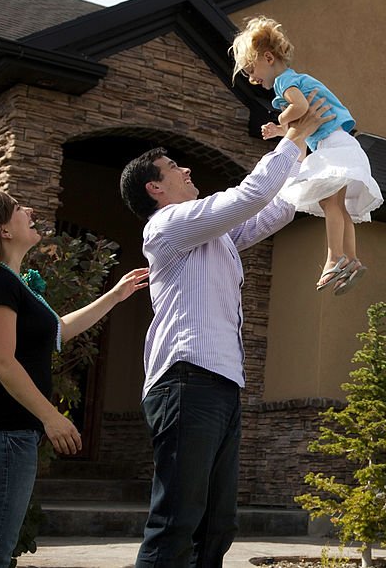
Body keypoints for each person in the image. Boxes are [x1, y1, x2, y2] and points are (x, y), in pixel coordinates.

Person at [118, 96, 332, 568]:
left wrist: (314, 148)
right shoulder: (167, 226)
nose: (187, 170)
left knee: (217, 526)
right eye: (174, 167)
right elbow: (250, 195)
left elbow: (272, 212)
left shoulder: (213, 238)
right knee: (177, 521)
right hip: (184, 382)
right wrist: (292, 142)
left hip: (220, 385)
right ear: (155, 188)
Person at [0, 190, 149, 568]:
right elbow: (2, 362)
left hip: (1, 434)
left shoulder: (11, 283)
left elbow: (58, 331)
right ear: (3, 230)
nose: (29, 210)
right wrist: (51, 416)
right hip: (3, 433)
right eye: (17, 209)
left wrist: (115, 295)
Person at [232, 15, 383, 295]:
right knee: (339, 206)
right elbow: (304, 119)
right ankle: (351, 259)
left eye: (251, 70)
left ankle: (334, 257)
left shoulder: (284, 83)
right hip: (343, 145)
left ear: (267, 58)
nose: (252, 79)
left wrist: (281, 119)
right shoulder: (296, 79)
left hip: (334, 147)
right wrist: (282, 131)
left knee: (329, 203)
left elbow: (300, 108)